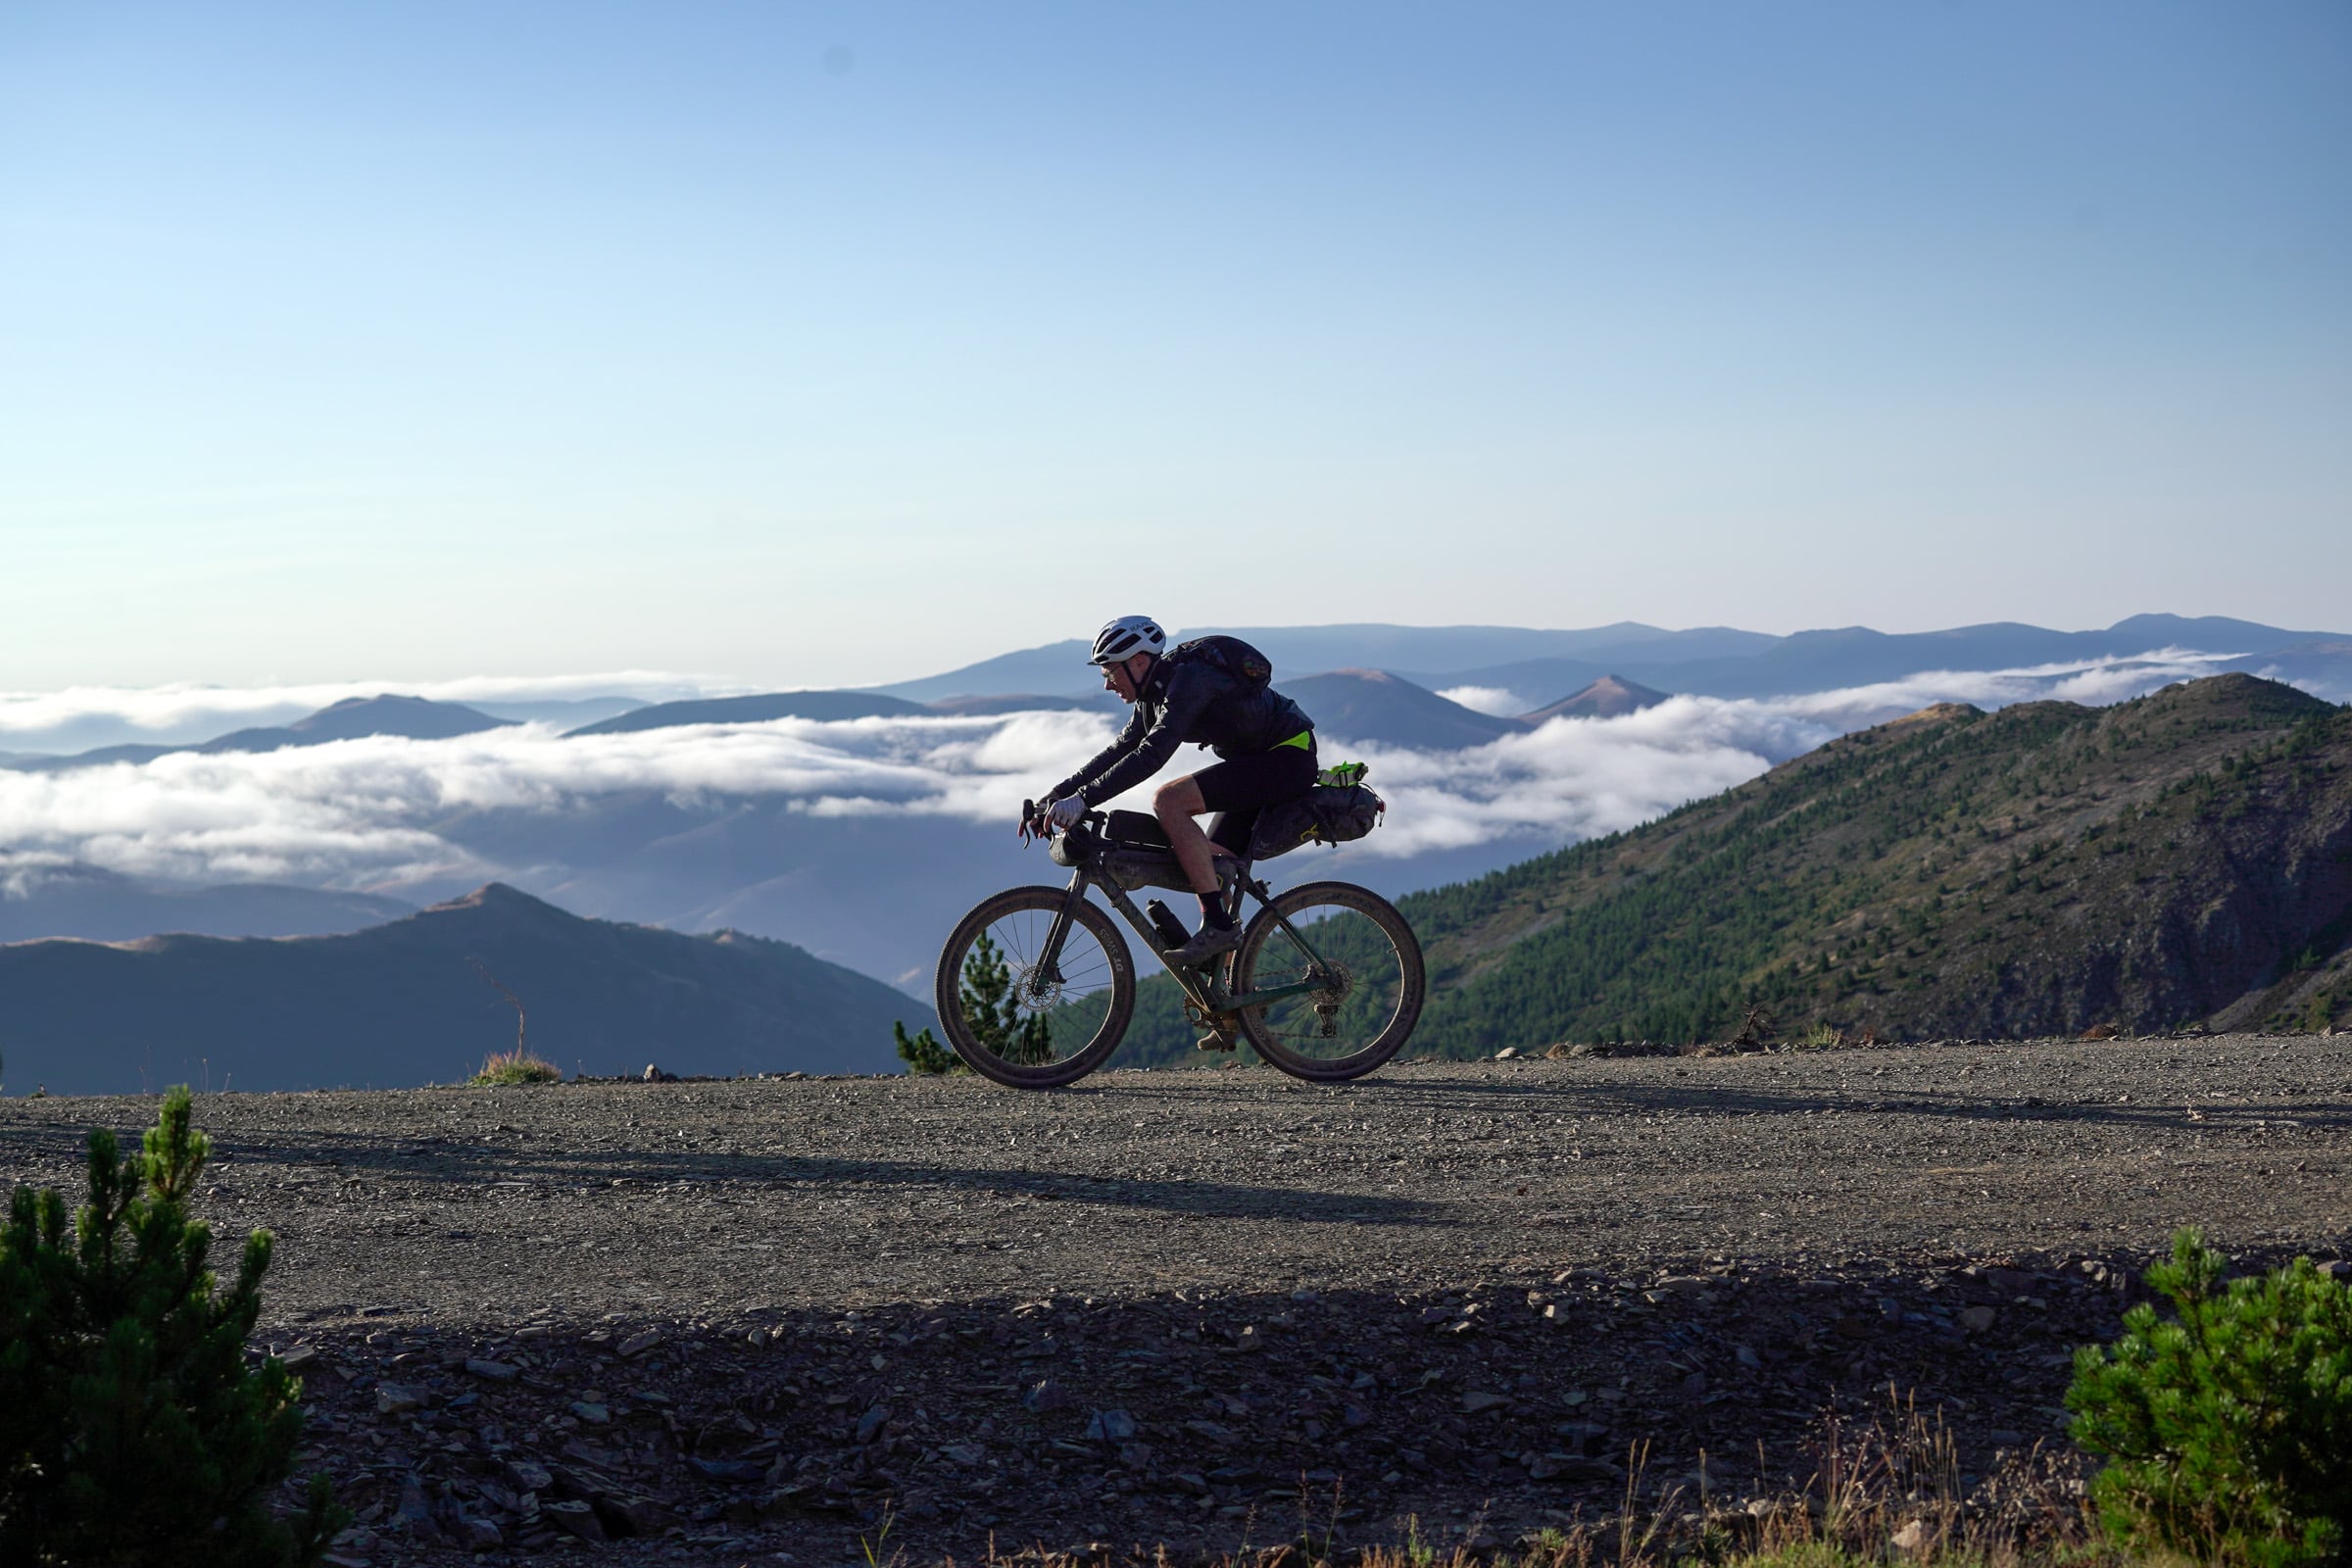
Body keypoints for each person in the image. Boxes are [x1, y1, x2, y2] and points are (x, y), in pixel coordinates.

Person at [1037, 615, 1318, 965]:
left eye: (1110, 671)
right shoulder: (1154, 693)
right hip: (1255, 764)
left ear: (1139, 661)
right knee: (1208, 864)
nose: (1108, 684)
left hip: (1287, 757)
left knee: (1168, 801)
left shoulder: (1190, 681)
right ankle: (1231, 989)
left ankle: (1219, 926)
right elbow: (1121, 749)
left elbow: (1151, 754)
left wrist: (1083, 800)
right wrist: (1057, 794)